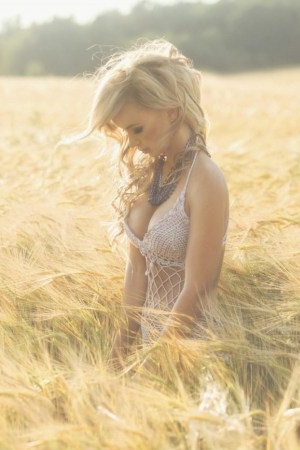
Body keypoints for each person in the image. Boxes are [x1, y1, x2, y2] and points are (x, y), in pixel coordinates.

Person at [76, 40, 229, 360]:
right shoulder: (149, 178)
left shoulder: (205, 180)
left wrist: (160, 360)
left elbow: (199, 288)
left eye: (137, 129)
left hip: (192, 354)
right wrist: (120, 354)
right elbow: (136, 273)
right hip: (150, 351)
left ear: (172, 111)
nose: (131, 143)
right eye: (125, 133)